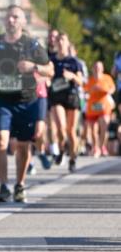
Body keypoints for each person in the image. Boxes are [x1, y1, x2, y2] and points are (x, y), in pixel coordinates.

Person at [0, 5, 53, 204]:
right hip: (1, 100)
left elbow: (50, 70)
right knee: (0, 141)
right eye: (8, 17)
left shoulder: (32, 44)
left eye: (15, 17)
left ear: (23, 21)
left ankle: (20, 184)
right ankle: (3, 186)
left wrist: (33, 66)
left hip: (26, 101)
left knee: (22, 145)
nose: (11, 20)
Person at [48, 32, 85, 172]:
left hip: (71, 97)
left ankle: (72, 159)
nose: (60, 42)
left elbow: (81, 81)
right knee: (61, 128)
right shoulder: (52, 61)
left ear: (68, 43)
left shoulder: (74, 62)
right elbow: (46, 76)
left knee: (71, 131)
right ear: (55, 43)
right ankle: (62, 150)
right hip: (57, 98)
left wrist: (72, 76)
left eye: (63, 40)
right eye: (58, 40)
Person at [84, 61, 116, 157]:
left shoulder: (107, 78)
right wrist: (92, 89)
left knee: (104, 126)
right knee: (93, 129)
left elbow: (112, 89)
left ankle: (102, 146)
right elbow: (85, 91)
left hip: (104, 106)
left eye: (99, 67)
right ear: (92, 69)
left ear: (102, 68)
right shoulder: (90, 80)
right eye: (95, 67)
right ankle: (95, 147)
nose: (97, 69)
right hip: (92, 107)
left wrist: (104, 90)